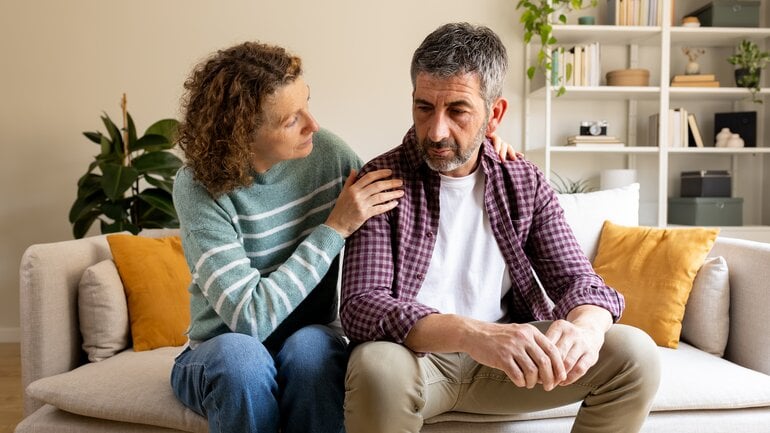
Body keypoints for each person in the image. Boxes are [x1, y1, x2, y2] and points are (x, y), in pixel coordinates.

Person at [170, 41, 515, 433]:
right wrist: (333, 230)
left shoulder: (329, 156)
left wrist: (484, 145)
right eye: (290, 120)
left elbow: (412, 162)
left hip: (306, 337)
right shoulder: (197, 186)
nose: (312, 124)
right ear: (242, 134)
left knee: (314, 350)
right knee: (243, 359)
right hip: (220, 349)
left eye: (308, 104)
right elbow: (250, 320)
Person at [340, 23, 661, 433]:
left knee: (635, 352)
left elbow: (579, 281)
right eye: (424, 108)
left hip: (507, 367)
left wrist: (587, 329)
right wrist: (474, 335)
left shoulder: (522, 180)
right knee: (376, 365)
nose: (436, 131)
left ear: (494, 114)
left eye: (457, 111)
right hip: (417, 363)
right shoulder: (382, 178)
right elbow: (361, 306)